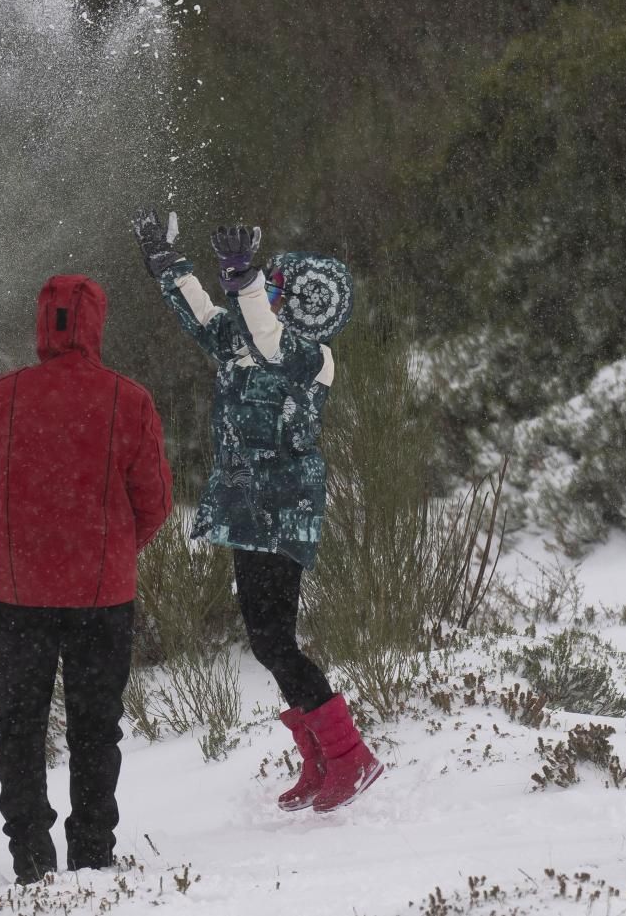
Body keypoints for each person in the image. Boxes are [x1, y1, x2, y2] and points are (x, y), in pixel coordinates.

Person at [131, 211, 382, 813]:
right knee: (267, 640)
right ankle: (321, 758)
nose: (261, 290)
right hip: (247, 505)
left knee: (275, 640)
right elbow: (205, 319)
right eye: (260, 283)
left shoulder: (309, 356)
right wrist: (170, 266)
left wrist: (243, 281)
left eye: (273, 287)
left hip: (284, 506)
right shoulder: (245, 342)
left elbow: (268, 340)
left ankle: (353, 758)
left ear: (299, 306)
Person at [0, 274, 175, 885]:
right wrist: (109, 551)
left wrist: (22, 539)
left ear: (41, 323)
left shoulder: (1, 398)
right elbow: (153, 501)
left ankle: (30, 856)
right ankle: (93, 851)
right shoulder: (128, 400)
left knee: (19, 726)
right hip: (102, 597)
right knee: (95, 726)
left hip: (18, 594)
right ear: (96, 324)